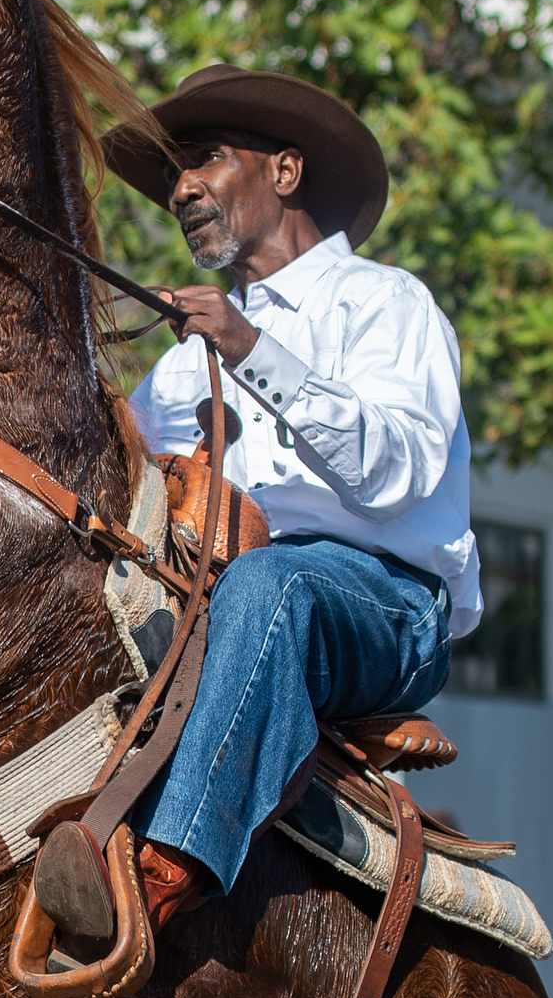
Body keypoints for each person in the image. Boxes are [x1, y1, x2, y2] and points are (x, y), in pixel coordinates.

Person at [66, 69, 469, 934]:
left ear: (284, 173)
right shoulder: (178, 363)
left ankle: (171, 868)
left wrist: (250, 348)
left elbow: (395, 473)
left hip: (388, 609)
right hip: (225, 600)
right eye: (174, 172)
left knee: (274, 583)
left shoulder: (386, 304)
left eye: (204, 160)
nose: (180, 189)